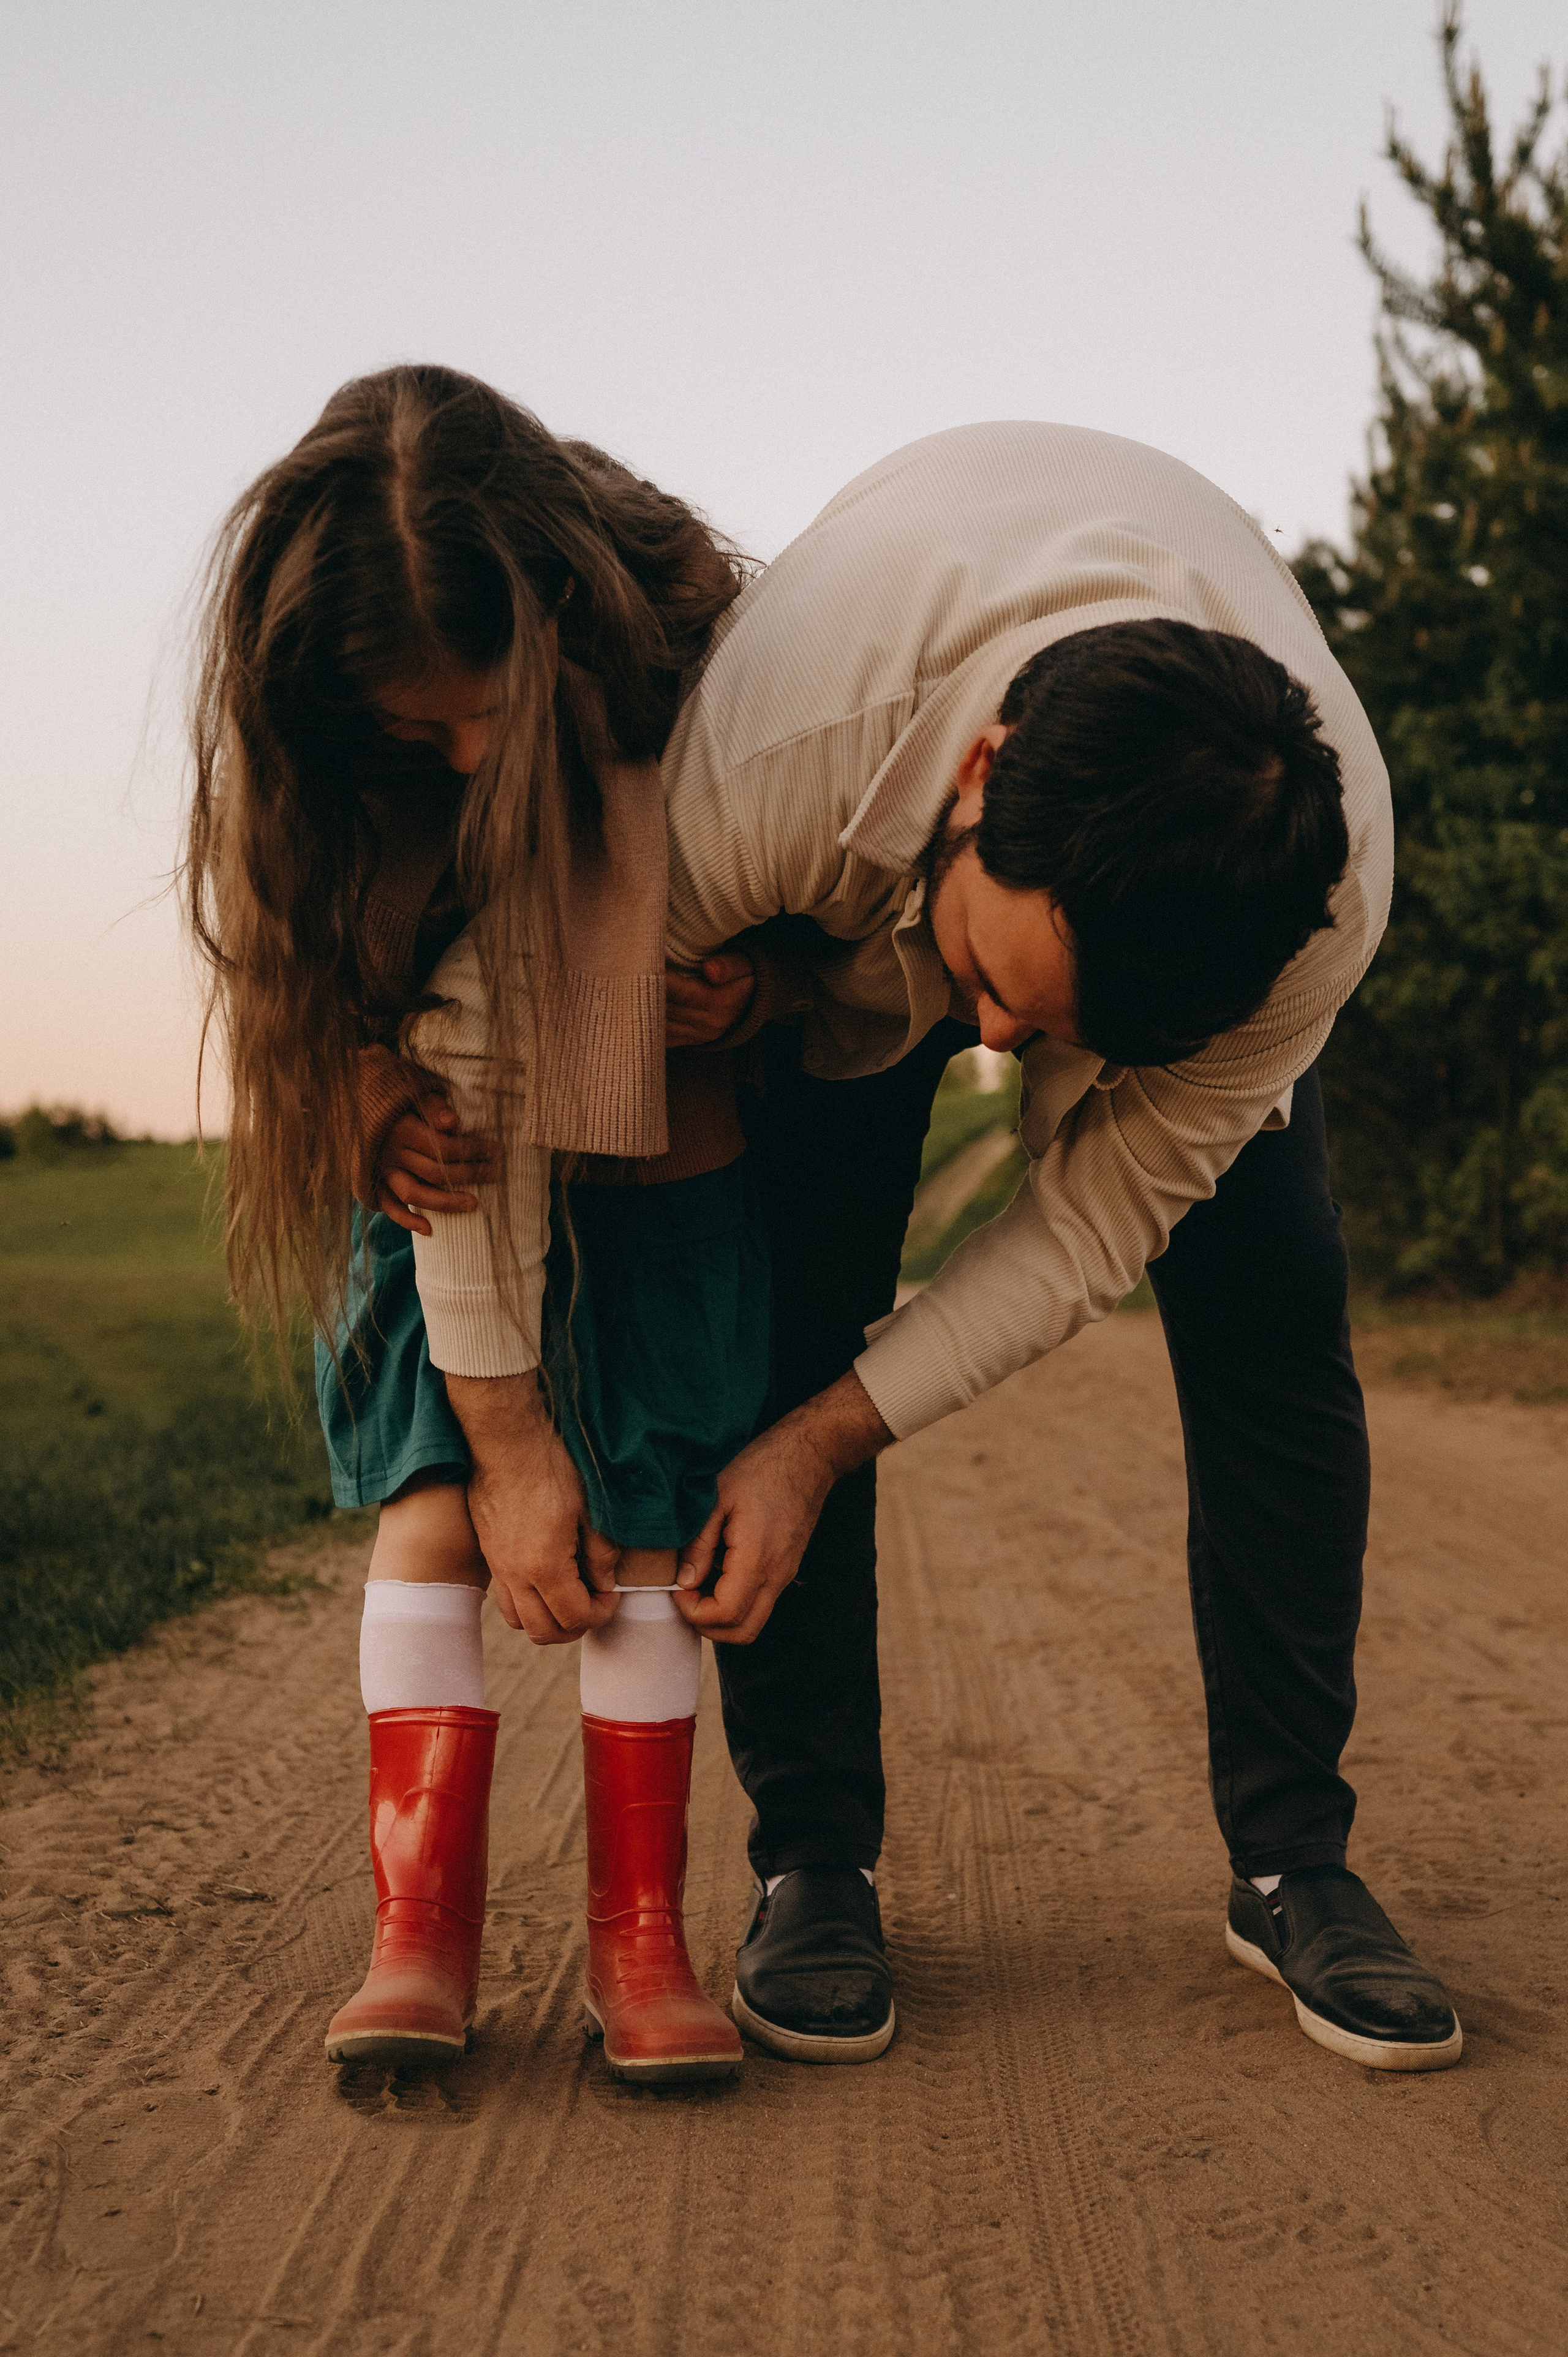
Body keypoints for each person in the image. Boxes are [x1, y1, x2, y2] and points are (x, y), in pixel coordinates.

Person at [417, 423, 1463, 2076]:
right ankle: (814, 1864)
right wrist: (510, 1432)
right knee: (798, 1309)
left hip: (1105, 893)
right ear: (980, 776)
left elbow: (1083, 1234)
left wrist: (835, 1440)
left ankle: (1294, 1864)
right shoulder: (779, 743)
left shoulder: (1310, 912)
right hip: (842, 890)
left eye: (1034, 1032)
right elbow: (485, 1020)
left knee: (1272, 1322)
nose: (981, 1036)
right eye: (991, 978)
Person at [183, 362, 777, 2082]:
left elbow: (807, 903)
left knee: (645, 1538)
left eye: (482, 715)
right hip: (444, 1167)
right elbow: (315, 976)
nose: (461, 762)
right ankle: (417, 1933)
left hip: (665, 1168)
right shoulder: (311, 753)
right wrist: (351, 1073)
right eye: (411, 738)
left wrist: (755, 1000)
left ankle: (640, 1940)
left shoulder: (689, 645)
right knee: (441, 1508)